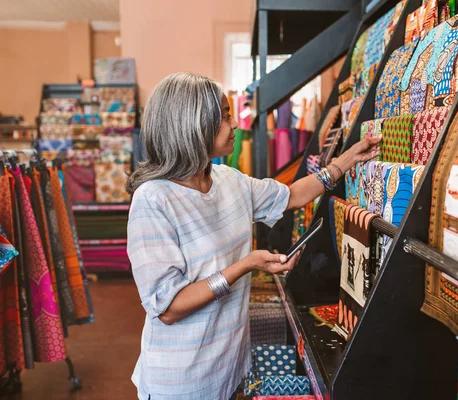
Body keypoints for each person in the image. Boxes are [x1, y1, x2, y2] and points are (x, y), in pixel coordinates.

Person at [126, 72, 381, 400]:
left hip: (229, 366)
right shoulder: (154, 201)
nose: (235, 125)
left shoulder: (227, 180)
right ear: (194, 125)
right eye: (226, 116)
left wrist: (347, 160)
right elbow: (168, 308)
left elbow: (292, 196)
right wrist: (244, 265)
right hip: (181, 381)